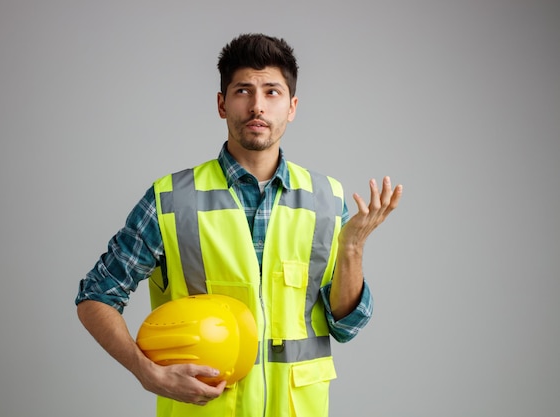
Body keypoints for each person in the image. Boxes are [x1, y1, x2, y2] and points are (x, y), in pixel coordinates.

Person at [76, 33, 403, 417]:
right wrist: (147, 374)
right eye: (243, 90)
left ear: (292, 106)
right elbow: (96, 296)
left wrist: (352, 248)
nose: (257, 106)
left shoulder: (326, 199)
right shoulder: (170, 199)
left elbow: (346, 327)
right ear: (222, 103)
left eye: (272, 92)